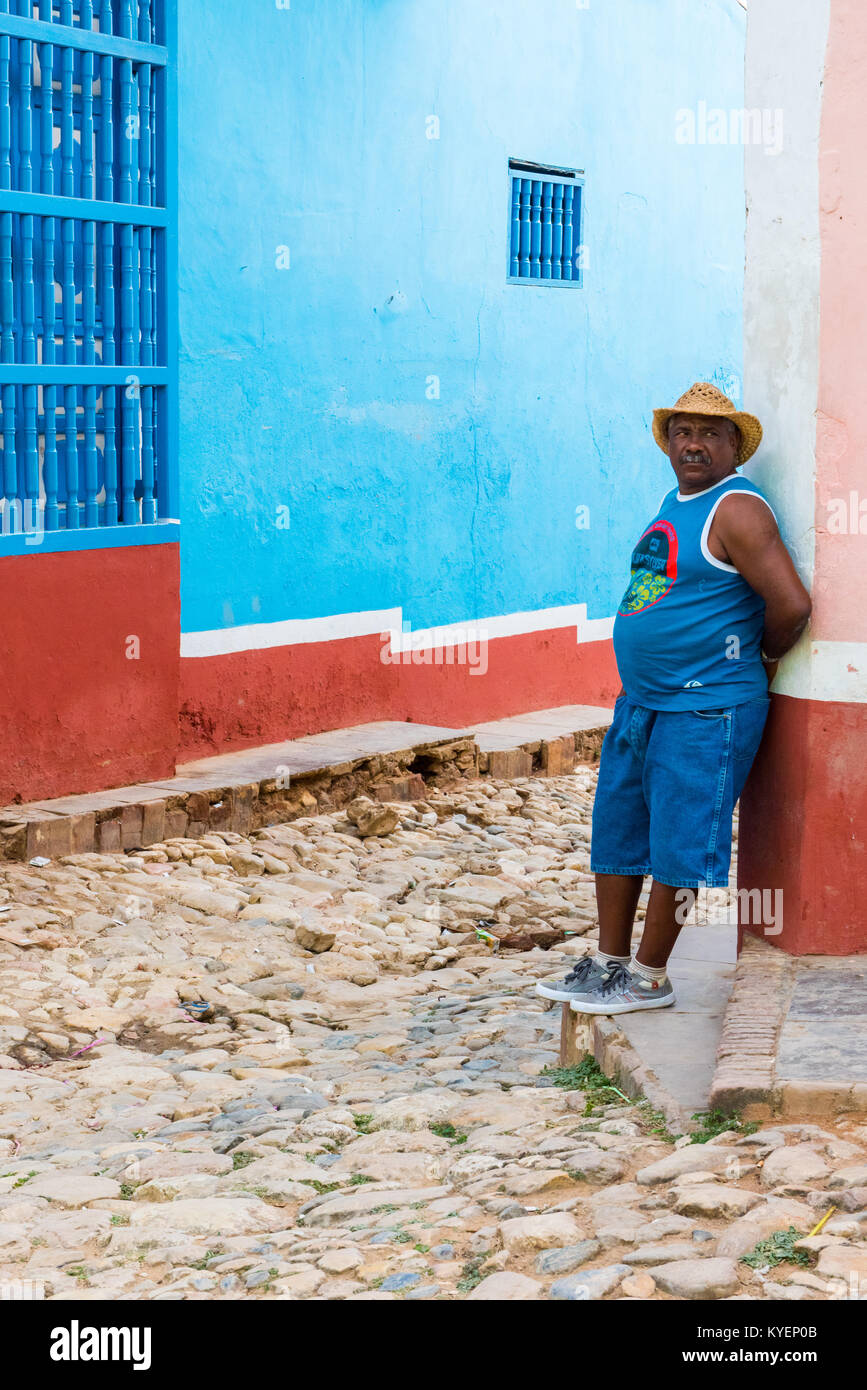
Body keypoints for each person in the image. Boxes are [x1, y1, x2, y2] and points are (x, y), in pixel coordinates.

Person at [537, 382, 811, 1015]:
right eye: (683, 432)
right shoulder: (676, 500)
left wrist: (755, 658)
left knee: (681, 844)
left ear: (735, 447)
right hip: (644, 703)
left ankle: (651, 976)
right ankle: (609, 964)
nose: (694, 444)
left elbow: (791, 604)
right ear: (667, 443)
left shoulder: (738, 509)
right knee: (618, 831)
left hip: (706, 708)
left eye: (711, 434)